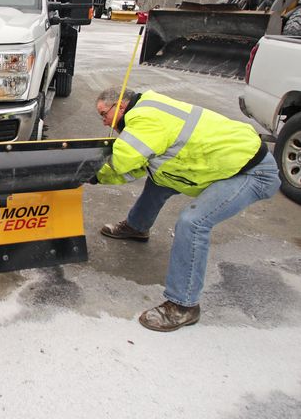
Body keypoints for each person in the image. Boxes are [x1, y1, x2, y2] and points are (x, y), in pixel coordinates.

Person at [90, 88, 280, 332]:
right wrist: (100, 177)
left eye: (104, 114)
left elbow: (124, 159)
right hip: (220, 164)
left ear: (121, 106)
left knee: (193, 222)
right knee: (159, 180)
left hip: (251, 172)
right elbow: (138, 167)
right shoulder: (147, 111)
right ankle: (137, 227)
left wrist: (91, 173)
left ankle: (184, 306)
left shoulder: (145, 118)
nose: (104, 121)